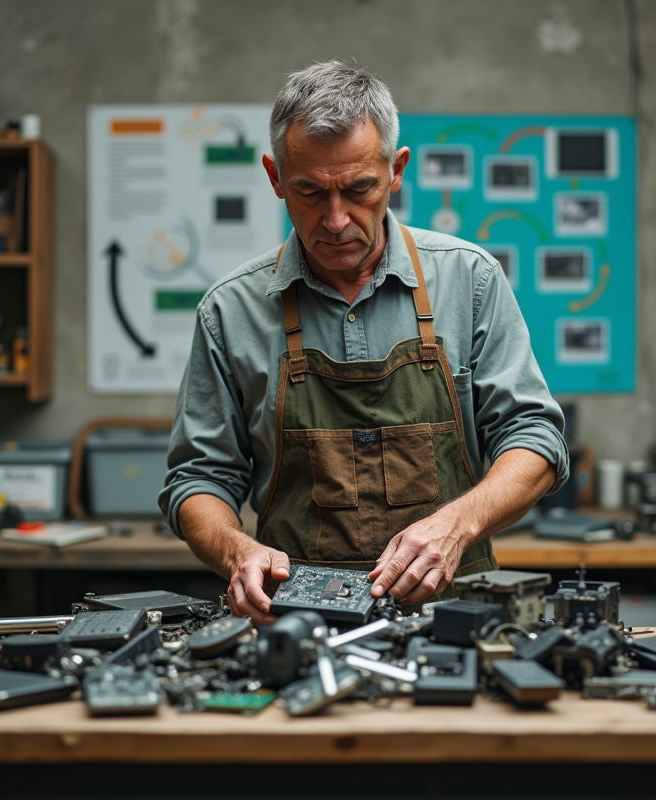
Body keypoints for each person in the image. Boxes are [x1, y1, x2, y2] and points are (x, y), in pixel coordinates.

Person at [159, 60, 567, 624]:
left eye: (358, 189)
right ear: (275, 178)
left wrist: (457, 524)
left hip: (455, 620)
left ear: (396, 171)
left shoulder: (469, 281)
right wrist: (238, 551)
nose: (335, 219)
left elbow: (536, 440)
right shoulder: (230, 311)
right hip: (292, 622)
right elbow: (199, 478)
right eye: (309, 192)